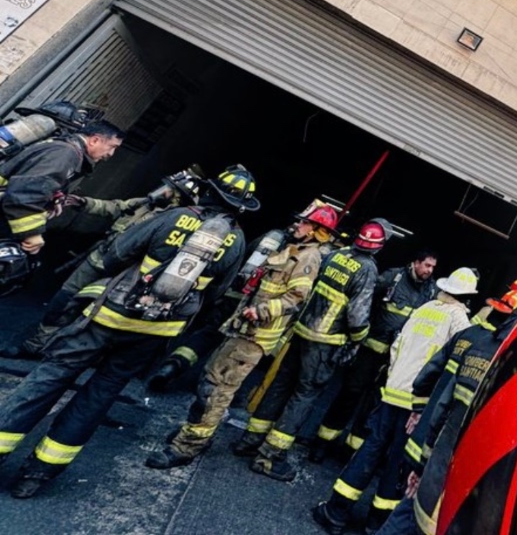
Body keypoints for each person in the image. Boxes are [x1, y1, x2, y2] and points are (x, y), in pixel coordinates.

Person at [0, 165, 257, 498]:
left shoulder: (174, 216)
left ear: (210, 192)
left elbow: (115, 254)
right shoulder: (235, 241)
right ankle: (36, 475)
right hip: (154, 334)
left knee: (49, 378)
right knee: (98, 397)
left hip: (108, 318)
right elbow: (218, 294)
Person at [144, 203, 339, 469]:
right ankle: (195, 430)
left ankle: (188, 445)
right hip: (243, 330)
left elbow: (296, 298)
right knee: (210, 381)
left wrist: (260, 311)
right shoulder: (293, 249)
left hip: (254, 336)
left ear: (317, 232)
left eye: (305, 224)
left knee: (217, 389)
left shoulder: (308, 258)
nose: (298, 226)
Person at [312, 267, 480, 534]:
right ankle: (376, 521)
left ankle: (336, 509)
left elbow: (397, 346)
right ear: (468, 296)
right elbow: (448, 370)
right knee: (398, 460)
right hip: (417, 403)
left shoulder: (424, 308)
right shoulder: (461, 323)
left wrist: (393, 380)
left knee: (371, 447)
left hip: (392, 392)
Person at [379, 279, 517, 535]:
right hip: (468, 505)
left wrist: (421, 465)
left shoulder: (479, 345)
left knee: (403, 519)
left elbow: (441, 409)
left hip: (434, 476)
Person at [233, 219, 388, 482]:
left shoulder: (336, 255)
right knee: (303, 395)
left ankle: (249, 441)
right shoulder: (367, 269)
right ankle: (270, 457)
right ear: (380, 246)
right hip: (325, 342)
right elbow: (357, 314)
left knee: (281, 385)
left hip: (301, 330)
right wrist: (358, 339)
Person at [0, 167, 205, 358]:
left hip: (119, 273)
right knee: (62, 301)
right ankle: (36, 346)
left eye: (169, 190)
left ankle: (62, 354)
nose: (162, 191)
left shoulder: (171, 221)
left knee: (90, 313)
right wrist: (83, 203)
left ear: (178, 197)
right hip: (96, 260)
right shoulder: (143, 204)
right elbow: (115, 207)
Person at [146, 198, 341, 391]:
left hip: (236, 295)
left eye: (303, 221)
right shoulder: (304, 253)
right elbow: (298, 293)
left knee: (209, 334)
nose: (299, 224)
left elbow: (244, 254)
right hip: (254, 308)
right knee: (232, 349)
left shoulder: (271, 237)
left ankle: (173, 366)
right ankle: (209, 388)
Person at [309, 250, 438, 463]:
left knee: (373, 404)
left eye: (433, 267)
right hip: (369, 351)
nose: (429, 271)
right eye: (426, 265)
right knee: (349, 394)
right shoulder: (392, 278)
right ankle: (323, 442)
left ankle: (351, 450)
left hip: (394, 359)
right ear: (415, 262)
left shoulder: (430, 292)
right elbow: (363, 301)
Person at [0, 116, 124, 256]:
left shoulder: (65, 148)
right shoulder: (66, 154)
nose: (111, 154)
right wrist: (32, 234)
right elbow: (26, 193)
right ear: (95, 140)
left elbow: (36, 180)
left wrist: (55, 196)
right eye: (112, 147)